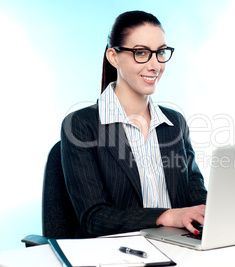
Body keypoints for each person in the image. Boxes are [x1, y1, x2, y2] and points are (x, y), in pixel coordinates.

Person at [61, 10, 207, 238]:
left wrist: (219, 211)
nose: (155, 65)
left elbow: (196, 195)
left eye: (160, 52)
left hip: (180, 247)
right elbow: (94, 218)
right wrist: (165, 216)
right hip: (117, 252)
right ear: (113, 57)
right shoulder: (81, 125)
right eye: (141, 53)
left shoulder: (175, 123)